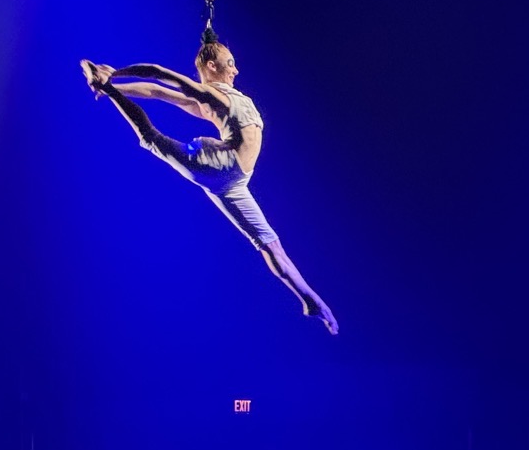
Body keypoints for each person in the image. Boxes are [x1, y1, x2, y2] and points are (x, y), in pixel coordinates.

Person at [80, 43, 338, 334]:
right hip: (218, 164)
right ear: (212, 67)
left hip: (234, 182)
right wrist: (116, 75)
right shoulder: (212, 96)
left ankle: (310, 299)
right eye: (230, 62)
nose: (236, 69)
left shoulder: (218, 99)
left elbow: (156, 92)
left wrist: (113, 83)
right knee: (151, 137)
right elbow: (159, 76)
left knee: (270, 245)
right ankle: (108, 88)